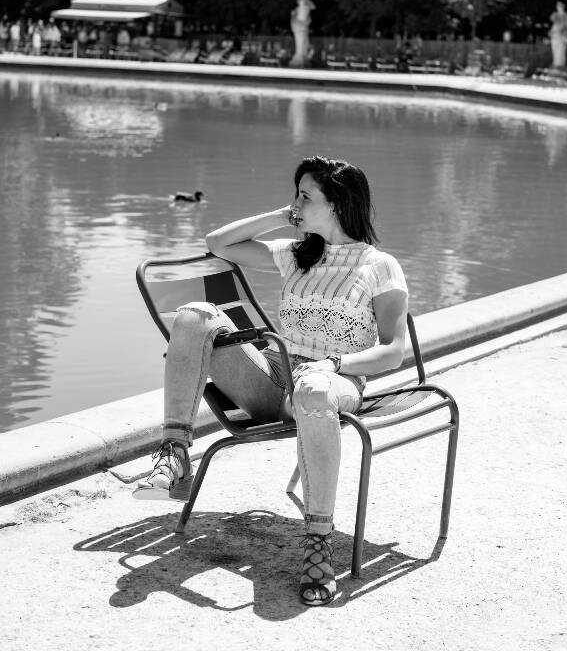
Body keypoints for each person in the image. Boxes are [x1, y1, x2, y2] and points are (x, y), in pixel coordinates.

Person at [132, 156, 409, 606]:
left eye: (306, 196)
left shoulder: (379, 266)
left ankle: (318, 540)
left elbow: (393, 350)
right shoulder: (296, 253)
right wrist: (284, 215)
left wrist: (333, 365)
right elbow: (218, 242)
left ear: (338, 205)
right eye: (295, 195)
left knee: (314, 389)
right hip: (274, 377)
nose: (296, 204)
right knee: (194, 316)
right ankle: (175, 457)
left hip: (333, 382)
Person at [549, 1, 567, 69]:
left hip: (561, 37)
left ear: (562, 7)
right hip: (555, 37)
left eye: (560, 7)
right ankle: (555, 64)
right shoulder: (556, 17)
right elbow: (552, 19)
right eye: (557, 7)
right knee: (555, 53)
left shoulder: (566, 16)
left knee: (560, 53)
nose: (558, 8)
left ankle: (559, 66)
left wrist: (563, 31)